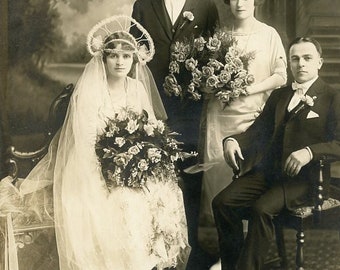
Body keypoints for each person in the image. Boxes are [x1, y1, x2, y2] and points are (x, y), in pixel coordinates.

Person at [7, 15, 190, 270]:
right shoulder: (91, 91)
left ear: (134, 59)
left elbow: (148, 133)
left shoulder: (137, 88)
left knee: (164, 192)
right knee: (124, 201)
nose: (120, 62)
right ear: (103, 59)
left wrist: (142, 166)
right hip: (91, 167)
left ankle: (152, 262)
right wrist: (109, 176)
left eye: (126, 56)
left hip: (130, 167)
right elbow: (85, 142)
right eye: (113, 55)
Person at [213, 36, 340, 270]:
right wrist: (232, 140)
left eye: (307, 58)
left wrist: (309, 152)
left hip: (305, 181)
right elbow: (258, 130)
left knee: (261, 210)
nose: (300, 64)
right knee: (222, 202)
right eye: (295, 59)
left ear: (319, 63)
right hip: (268, 174)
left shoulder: (333, 96)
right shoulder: (280, 95)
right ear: (290, 64)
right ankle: (231, 265)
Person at [132, 1, 219, 268]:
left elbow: (215, 53)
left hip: (189, 107)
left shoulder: (205, 5)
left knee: (191, 177)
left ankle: (191, 247)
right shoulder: (144, 5)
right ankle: (157, 251)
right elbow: (135, 55)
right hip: (151, 103)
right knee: (154, 176)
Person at [202, 0, 286, 224]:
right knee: (219, 180)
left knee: (247, 180)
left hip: (254, 117)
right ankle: (226, 253)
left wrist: (247, 90)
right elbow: (205, 77)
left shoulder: (269, 34)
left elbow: (281, 76)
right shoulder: (218, 36)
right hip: (220, 117)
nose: (240, 3)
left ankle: (248, 247)